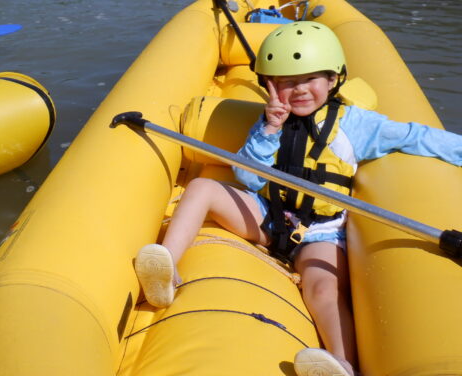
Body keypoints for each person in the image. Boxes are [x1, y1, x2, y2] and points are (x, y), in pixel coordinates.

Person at [134, 21, 462, 376]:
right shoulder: (268, 123)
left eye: (310, 79)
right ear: (270, 88)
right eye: (287, 83)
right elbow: (247, 177)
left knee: (323, 290)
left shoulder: (357, 125)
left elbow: (415, 136)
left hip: (320, 233)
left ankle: (342, 364)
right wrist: (269, 129)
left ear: (333, 79)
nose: (300, 90)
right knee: (201, 189)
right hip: (268, 216)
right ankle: (167, 272)